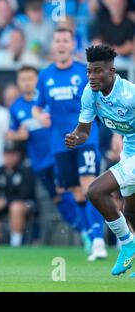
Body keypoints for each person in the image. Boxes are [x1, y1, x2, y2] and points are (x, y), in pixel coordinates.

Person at [32, 28, 106, 261]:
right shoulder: (45, 75)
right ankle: (88, 234)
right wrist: (39, 116)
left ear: (72, 44)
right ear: (53, 45)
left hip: (85, 137)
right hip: (59, 143)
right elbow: (37, 106)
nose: (61, 44)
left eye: (66, 40)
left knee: (89, 187)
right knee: (77, 193)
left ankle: (98, 240)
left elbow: (100, 99)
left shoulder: (84, 72)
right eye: (58, 40)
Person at [65, 44, 135, 276]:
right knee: (131, 213)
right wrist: (77, 137)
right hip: (129, 151)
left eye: (98, 71)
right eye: (89, 71)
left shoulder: (129, 95)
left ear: (112, 72)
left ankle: (127, 244)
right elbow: (84, 129)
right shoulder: (90, 92)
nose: (92, 76)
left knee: (95, 191)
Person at [7, 66, 86, 247]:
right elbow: (11, 134)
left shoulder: (47, 101)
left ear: (37, 80)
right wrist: (20, 135)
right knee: (57, 197)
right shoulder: (16, 107)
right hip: (39, 162)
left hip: (57, 154)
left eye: (30, 78)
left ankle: (87, 231)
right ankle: (81, 228)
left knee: (66, 190)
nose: (27, 82)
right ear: (18, 83)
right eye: (23, 79)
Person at [0, 140, 36, 247]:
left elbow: (26, 194)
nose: (10, 157)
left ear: (18, 155)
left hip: (25, 204)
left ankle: (15, 242)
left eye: (13, 154)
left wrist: (6, 201)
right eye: (7, 154)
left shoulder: (26, 171)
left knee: (15, 207)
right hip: (4, 205)